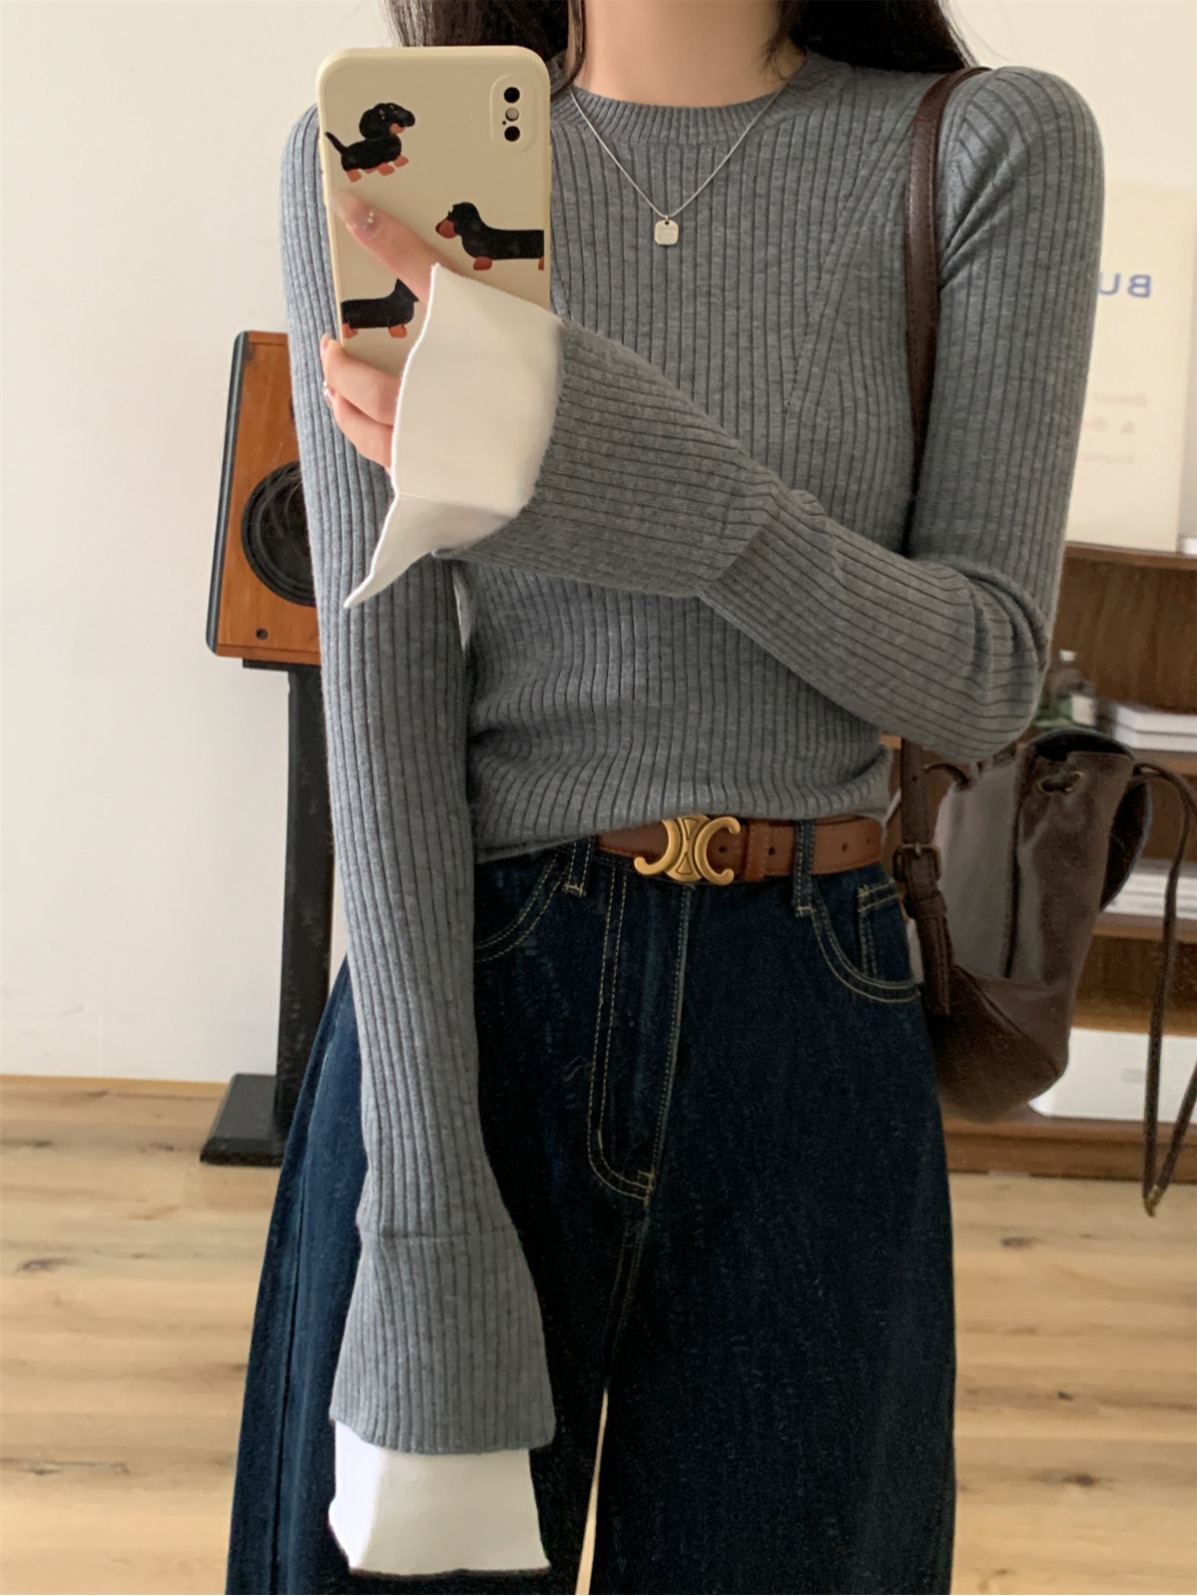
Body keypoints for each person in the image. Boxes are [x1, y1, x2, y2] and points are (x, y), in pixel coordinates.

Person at [225, 1, 1104, 1591]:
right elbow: (383, 699)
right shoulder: (379, 170)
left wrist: (677, 496)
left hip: (811, 1008)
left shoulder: (984, 146)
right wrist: (423, 1200)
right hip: (473, 993)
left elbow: (978, 677)